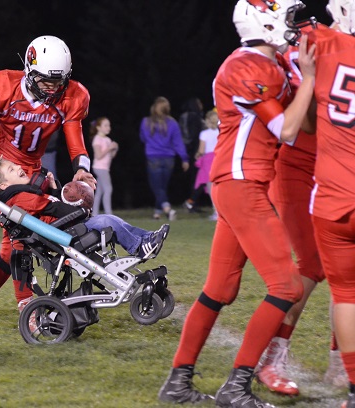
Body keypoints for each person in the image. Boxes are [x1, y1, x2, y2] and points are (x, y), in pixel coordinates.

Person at [158, 1, 316, 406]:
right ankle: (237, 385)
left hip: (243, 183)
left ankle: (178, 382)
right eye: (288, 17)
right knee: (287, 286)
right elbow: (287, 128)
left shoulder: (274, 64)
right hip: (240, 182)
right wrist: (311, 77)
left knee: (220, 290)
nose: (294, 26)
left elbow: (307, 121)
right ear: (264, 20)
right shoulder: (247, 65)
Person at [0, 35, 96, 333]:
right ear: (29, 70)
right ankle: (28, 312)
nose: (52, 88)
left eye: (58, 82)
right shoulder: (3, 87)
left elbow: (75, 137)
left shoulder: (72, 97)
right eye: (46, 80)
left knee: (13, 246)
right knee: (22, 234)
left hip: (31, 170)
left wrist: (82, 169)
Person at [256, 7, 349, 395]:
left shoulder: (335, 48)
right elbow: (302, 123)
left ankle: (340, 365)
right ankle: (272, 355)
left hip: (338, 168)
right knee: (311, 264)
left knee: (350, 274)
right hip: (299, 165)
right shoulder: (297, 53)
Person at [300, 2, 355, 406]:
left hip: (334, 196)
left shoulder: (322, 43)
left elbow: (288, 24)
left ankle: (352, 388)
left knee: (347, 293)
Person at [0, 156, 170, 260]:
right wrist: (80, 212)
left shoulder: (24, 194)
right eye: (11, 169)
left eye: (14, 164)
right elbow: (53, 208)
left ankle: (147, 238)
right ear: (4, 185)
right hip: (66, 232)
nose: (18, 167)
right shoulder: (19, 198)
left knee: (111, 220)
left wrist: (54, 187)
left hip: (65, 226)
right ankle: (138, 247)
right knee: (107, 220)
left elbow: (52, 204)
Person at [139, 96, 189, 221]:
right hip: (169, 160)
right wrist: (184, 158)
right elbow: (178, 143)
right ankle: (157, 213)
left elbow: (143, 138)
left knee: (157, 188)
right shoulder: (172, 123)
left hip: (153, 158)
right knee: (161, 187)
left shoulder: (146, 122)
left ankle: (167, 209)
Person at [184, 109, 219, 219]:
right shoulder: (220, 132)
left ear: (207, 121)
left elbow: (201, 150)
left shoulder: (204, 134)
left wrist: (197, 156)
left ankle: (216, 212)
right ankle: (221, 211)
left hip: (208, 161)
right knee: (219, 186)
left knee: (210, 187)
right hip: (218, 159)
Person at [90, 117, 118, 215]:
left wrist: (114, 149)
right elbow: (98, 156)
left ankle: (94, 214)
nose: (108, 128)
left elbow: (111, 156)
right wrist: (109, 148)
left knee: (99, 192)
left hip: (105, 167)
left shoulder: (107, 139)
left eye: (109, 125)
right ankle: (109, 213)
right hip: (100, 168)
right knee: (108, 189)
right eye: (105, 125)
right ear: (98, 127)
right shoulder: (97, 139)